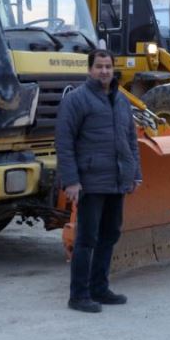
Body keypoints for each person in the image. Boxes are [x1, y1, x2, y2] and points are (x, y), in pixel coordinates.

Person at [55, 49, 142, 313]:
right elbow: (64, 142)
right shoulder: (77, 100)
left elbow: (130, 140)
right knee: (86, 239)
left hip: (116, 181)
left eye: (108, 66)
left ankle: (100, 288)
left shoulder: (121, 100)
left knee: (110, 235)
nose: (104, 71)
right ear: (90, 70)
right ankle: (79, 295)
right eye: (99, 66)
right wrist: (71, 181)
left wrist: (134, 173)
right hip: (90, 182)